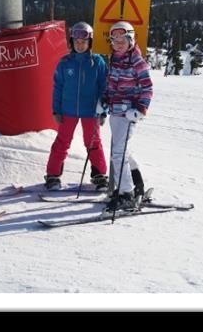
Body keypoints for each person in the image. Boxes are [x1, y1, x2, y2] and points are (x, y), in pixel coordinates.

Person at [45, 22, 109, 192]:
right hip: (68, 110)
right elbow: (57, 87)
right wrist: (56, 110)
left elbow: (104, 87)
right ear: (72, 42)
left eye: (84, 42)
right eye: (76, 42)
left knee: (93, 142)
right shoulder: (65, 63)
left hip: (91, 110)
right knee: (62, 141)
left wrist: (103, 110)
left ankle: (99, 175)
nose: (80, 45)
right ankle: (53, 175)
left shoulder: (97, 62)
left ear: (90, 43)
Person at [102, 21, 153, 212]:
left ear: (131, 39)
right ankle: (137, 184)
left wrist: (140, 109)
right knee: (123, 151)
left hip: (129, 114)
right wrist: (104, 100)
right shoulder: (114, 59)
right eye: (114, 40)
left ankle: (126, 194)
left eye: (122, 39)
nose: (118, 43)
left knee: (118, 153)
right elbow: (110, 84)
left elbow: (147, 88)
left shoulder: (138, 62)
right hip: (114, 112)